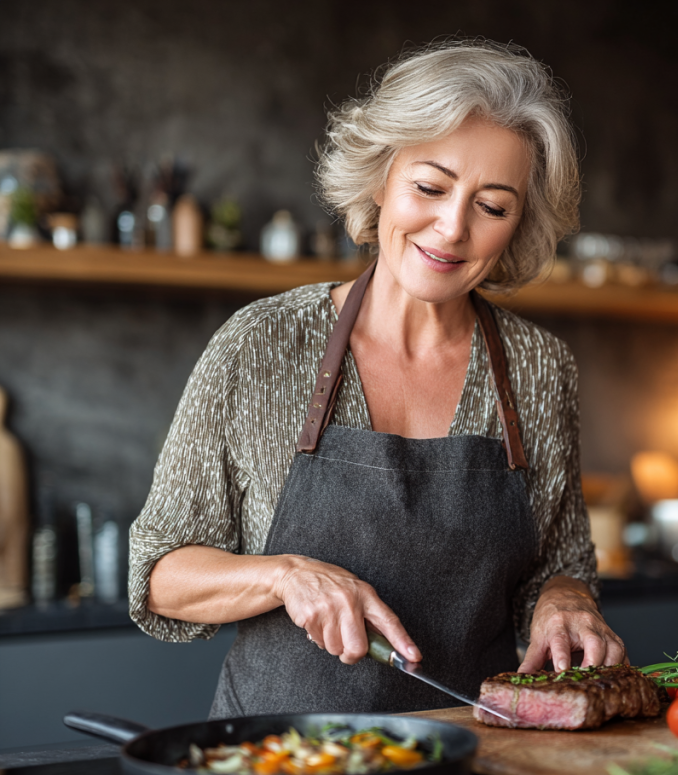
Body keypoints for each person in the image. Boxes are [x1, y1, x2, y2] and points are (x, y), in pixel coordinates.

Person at [129, 38, 626, 719]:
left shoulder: (538, 368)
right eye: (429, 186)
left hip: (472, 773)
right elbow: (158, 576)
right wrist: (286, 575)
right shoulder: (262, 344)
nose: (451, 228)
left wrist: (565, 600)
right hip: (278, 772)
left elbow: (556, 563)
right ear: (379, 177)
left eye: (494, 205)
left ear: (519, 225)